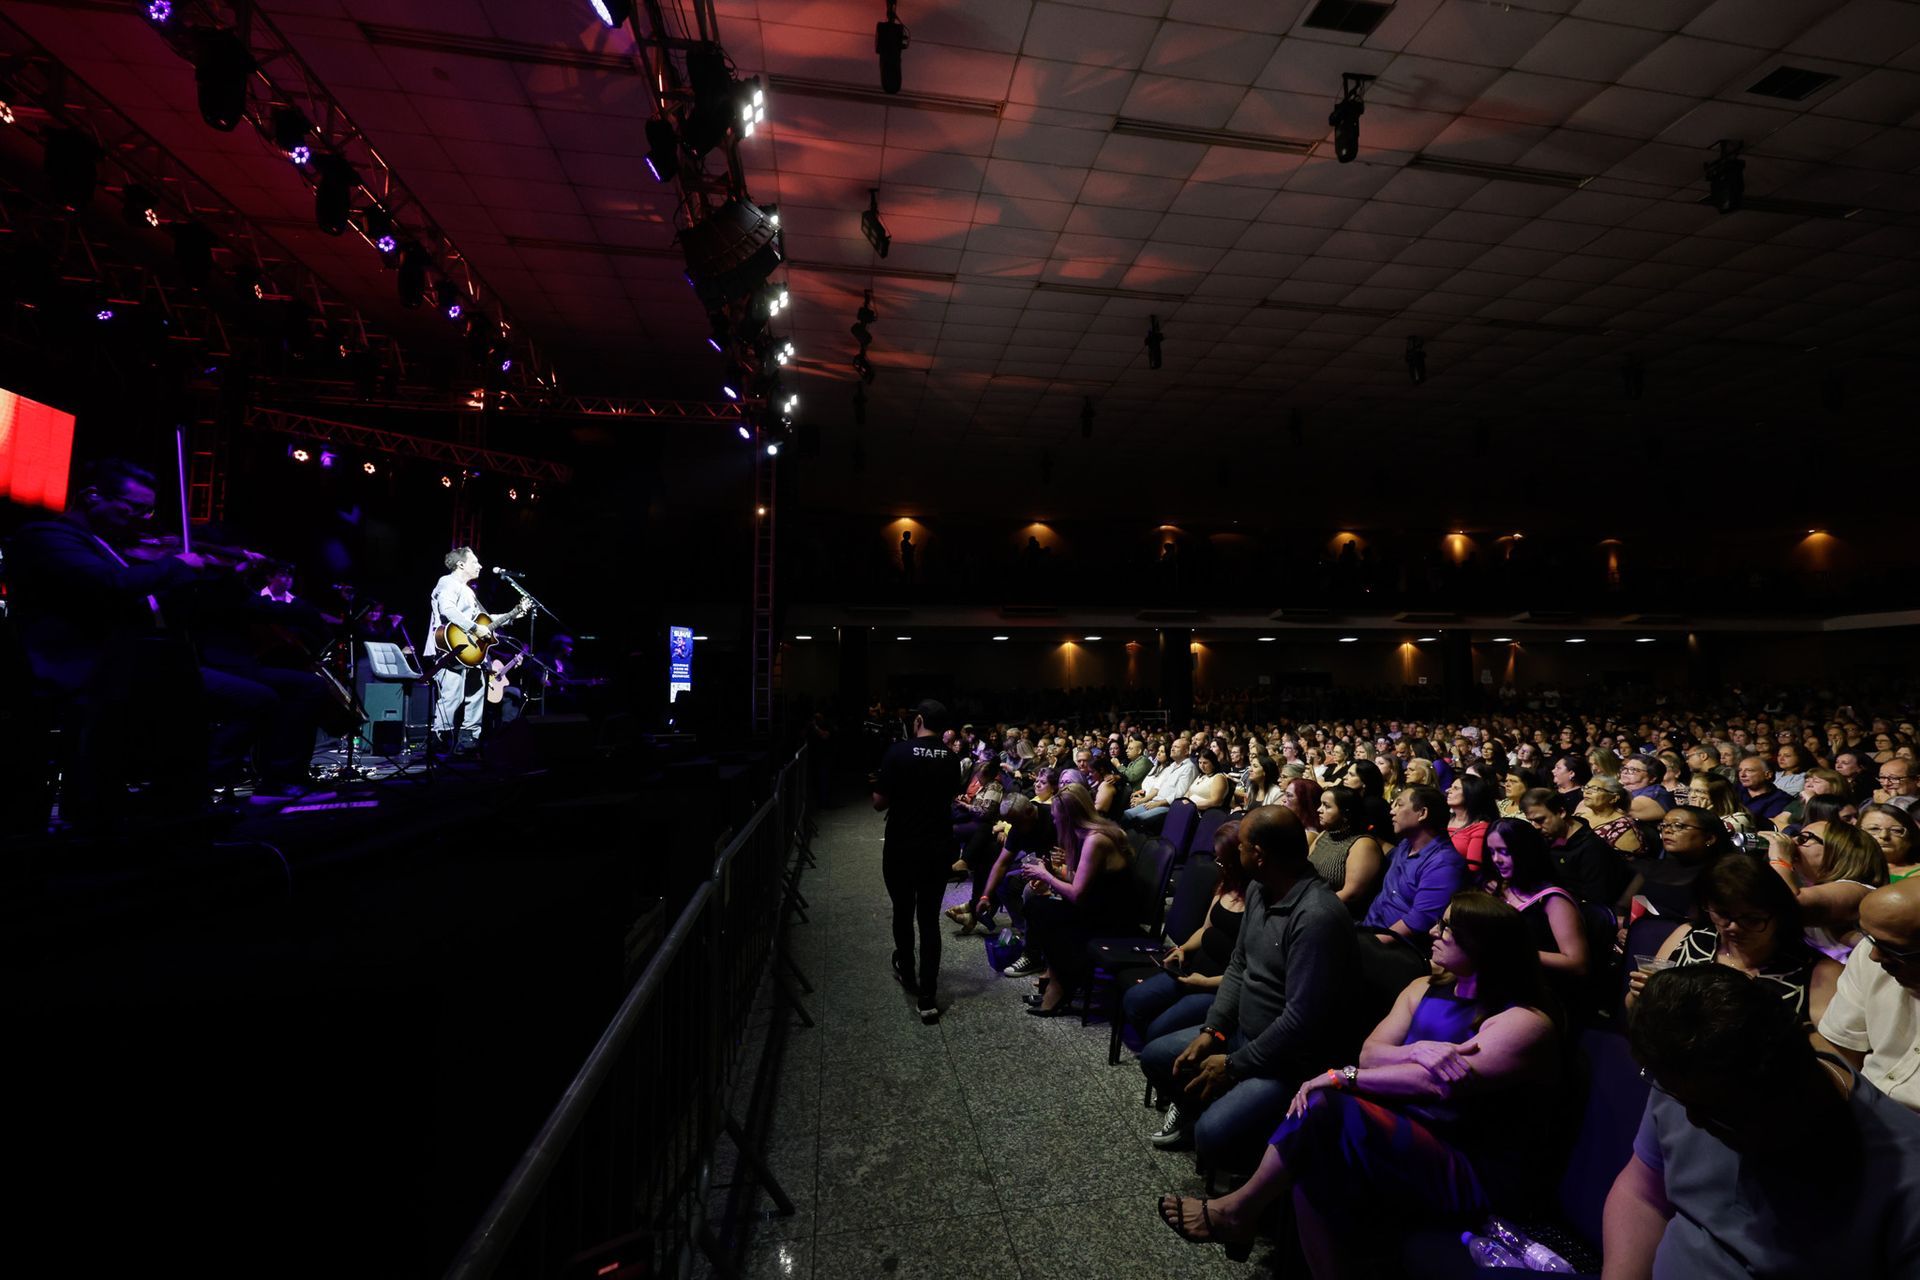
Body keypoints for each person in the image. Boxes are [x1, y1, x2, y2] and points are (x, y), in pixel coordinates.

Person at [1154, 893, 1563, 1269]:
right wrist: (1418, 1050)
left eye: (1448, 927)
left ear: (1482, 945)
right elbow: (1372, 1052)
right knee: (1317, 1163)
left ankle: (1238, 1210)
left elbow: (1435, 1086)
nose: (1434, 932)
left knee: (1325, 1106)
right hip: (1395, 1128)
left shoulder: (1523, 1021)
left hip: (1462, 1161)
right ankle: (1251, 1222)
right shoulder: (1424, 986)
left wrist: (1342, 1078)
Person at [4, 458, 310, 816]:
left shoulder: (111, 548)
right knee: (192, 695)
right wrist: (177, 565)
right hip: (79, 668)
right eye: (135, 509)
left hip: (130, 666)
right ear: (92, 497)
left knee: (245, 696)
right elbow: (111, 586)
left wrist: (223, 575)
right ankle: (163, 803)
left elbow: (160, 603)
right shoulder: (48, 536)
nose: (145, 520)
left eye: (148, 511)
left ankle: (177, 800)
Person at [1604, 964, 1920, 1279]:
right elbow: (1642, 1193)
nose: (1693, 1121)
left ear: (1792, 1081)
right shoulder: (1688, 1072)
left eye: (1719, 1112)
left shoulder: (1907, 1178)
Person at [1140, 805, 1356, 1171]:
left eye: (1240, 846)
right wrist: (1213, 1029)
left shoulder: (1316, 917)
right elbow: (1240, 965)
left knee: (1212, 1133)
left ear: (1258, 854)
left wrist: (1234, 1065)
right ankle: (1208, 1103)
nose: (1234, 853)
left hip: (1286, 1061)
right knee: (1157, 1056)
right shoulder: (1260, 888)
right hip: (1242, 1032)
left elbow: (1301, 1021)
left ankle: (1239, 1145)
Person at [1627, 854, 1840, 1024]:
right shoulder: (1689, 937)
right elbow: (1633, 1009)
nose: (1733, 928)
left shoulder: (1816, 972)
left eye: (1752, 919)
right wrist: (1641, 995)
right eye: (1723, 914)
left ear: (1779, 914)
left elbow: (1833, 1059)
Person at [1122, 821, 1247, 1050]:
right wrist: (1183, 949)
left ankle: (1163, 1055)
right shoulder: (1226, 886)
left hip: (1217, 986)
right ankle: (1157, 1053)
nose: (1218, 865)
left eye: (1222, 860)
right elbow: (1206, 928)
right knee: (1133, 1001)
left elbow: (1247, 972)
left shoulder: (1258, 901)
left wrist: (1205, 983)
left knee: (1157, 1030)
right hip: (1191, 970)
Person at [871, 699, 959, 1024]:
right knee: (929, 920)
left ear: (918, 720)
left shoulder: (898, 752)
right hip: (937, 849)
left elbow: (879, 802)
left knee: (903, 912)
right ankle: (928, 997)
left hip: (902, 847)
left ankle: (907, 972)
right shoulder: (952, 759)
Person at [1018, 783, 1136, 1015]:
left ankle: (1060, 983)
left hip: (1111, 917)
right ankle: (1057, 977)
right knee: (1038, 905)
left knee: (1039, 909)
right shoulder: (1094, 833)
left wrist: (1045, 875)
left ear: (1070, 817)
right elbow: (1080, 879)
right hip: (1100, 905)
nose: (1054, 822)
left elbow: (1077, 893)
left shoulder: (1095, 840)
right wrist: (1050, 871)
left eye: (1057, 818)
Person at [1818, 880, 1920, 1113]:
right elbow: (1838, 1050)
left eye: (1894, 949)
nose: (1874, 955)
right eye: (1869, 937)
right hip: (1860, 1106)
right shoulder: (1870, 953)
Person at [425, 547, 527, 756]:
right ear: (461, 564)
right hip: (449, 648)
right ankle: (440, 741)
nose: (480, 566)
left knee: (477, 693)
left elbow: (485, 621)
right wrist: (473, 628)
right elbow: (448, 610)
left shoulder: (469, 592)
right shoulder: (448, 582)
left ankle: (468, 740)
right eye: (475, 562)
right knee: (451, 696)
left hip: (471, 652)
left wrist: (514, 614)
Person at [1765, 820, 1889, 963]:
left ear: (1842, 851)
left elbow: (1790, 904)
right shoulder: (1810, 887)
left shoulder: (1858, 890)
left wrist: (1779, 859)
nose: (1791, 842)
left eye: (1803, 838)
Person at [1485, 818, 1588, 980]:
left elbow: (1577, 963)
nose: (1496, 859)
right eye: (1492, 852)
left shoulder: (1554, 899)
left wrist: (1516, 952)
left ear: (1525, 852)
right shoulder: (1501, 888)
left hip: (1546, 986)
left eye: (1504, 851)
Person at [1522, 786, 1629, 913]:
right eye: (1531, 821)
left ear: (1561, 812)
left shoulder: (1592, 849)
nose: (1535, 827)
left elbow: (1597, 902)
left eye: (1540, 820)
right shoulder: (1547, 838)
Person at [1309, 788, 1385, 917]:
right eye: (1321, 804)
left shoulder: (1363, 844)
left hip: (1338, 915)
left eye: (1326, 806)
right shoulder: (1325, 835)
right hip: (1313, 902)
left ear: (1345, 814)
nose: (1319, 810)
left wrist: (1310, 907)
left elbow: (1351, 894)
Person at [1444, 773, 1500, 875]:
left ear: (1470, 793)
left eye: (1455, 788)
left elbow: (1473, 867)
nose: (1448, 791)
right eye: (1451, 787)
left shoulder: (1480, 827)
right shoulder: (1444, 819)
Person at [1578, 775, 1644, 856]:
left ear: (1614, 798)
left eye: (1595, 789)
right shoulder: (1580, 816)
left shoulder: (1623, 827)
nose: (1587, 792)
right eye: (1586, 787)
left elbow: (1629, 863)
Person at [1859, 803, 1920, 883]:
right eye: (1874, 829)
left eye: (1896, 830)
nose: (1884, 835)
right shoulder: (1845, 868)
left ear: (1910, 838)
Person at [1736, 753, 1793, 823]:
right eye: (1740, 770)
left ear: (1768, 775)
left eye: (1749, 770)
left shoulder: (1781, 799)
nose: (1742, 775)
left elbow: (1765, 825)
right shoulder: (1733, 790)